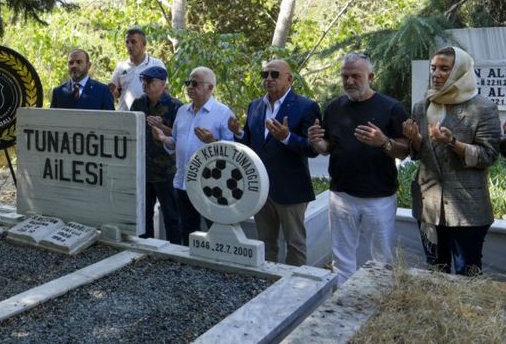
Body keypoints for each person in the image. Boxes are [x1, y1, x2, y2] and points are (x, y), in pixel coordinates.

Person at [307, 52, 409, 284]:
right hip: (342, 194)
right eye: (345, 76)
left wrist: (384, 142)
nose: (349, 81)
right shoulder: (334, 108)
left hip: (378, 196)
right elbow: (329, 147)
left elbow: (405, 150)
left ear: (371, 76)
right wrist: (317, 143)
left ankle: (379, 300)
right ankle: (342, 303)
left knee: (381, 258)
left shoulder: (392, 108)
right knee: (341, 258)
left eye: (356, 76)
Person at [402, 47, 501, 276]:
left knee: (468, 273)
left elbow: (488, 155)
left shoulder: (483, 108)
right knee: (435, 270)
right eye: (433, 68)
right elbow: (420, 154)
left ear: (461, 72)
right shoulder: (422, 106)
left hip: (468, 210)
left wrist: (452, 142)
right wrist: (415, 139)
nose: (436, 74)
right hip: (428, 205)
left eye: (444, 69)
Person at [230, 59, 320, 266]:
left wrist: (287, 137)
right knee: (266, 243)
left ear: (289, 78)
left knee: (295, 244)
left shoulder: (306, 107)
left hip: (291, 189)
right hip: (260, 188)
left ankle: (295, 291)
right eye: (265, 75)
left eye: (274, 74)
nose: (268, 79)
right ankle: (268, 284)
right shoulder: (255, 106)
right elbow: (252, 145)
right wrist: (239, 133)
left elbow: (312, 149)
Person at [151, 67, 236, 241]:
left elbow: (233, 152)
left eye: (195, 83)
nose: (190, 87)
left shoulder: (223, 113)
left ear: (210, 88)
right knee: (187, 230)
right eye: (188, 82)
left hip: (211, 184)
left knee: (216, 231)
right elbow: (175, 143)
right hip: (183, 182)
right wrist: (163, 139)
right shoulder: (182, 111)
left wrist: (212, 142)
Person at [131, 66, 183, 244]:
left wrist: (162, 128)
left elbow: (181, 138)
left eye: (150, 81)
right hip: (142, 170)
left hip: (166, 171)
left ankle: (176, 250)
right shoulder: (138, 104)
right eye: (143, 80)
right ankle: (147, 248)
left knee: (171, 215)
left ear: (162, 83)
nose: (145, 84)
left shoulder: (176, 107)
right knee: (143, 216)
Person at [108, 28, 166, 111]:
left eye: (133, 42)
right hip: (124, 117)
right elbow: (114, 93)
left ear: (144, 43)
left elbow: (165, 90)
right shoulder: (121, 66)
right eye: (127, 42)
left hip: (148, 117)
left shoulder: (156, 64)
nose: (129, 45)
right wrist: (111, 91)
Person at [50, 49, 115, 110]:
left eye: (78, 62)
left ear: (88, 65)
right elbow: (52, 119)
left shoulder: (103, 91)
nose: (74, 66)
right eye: (71, 63)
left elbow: (111, 119)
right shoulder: (58, 92)